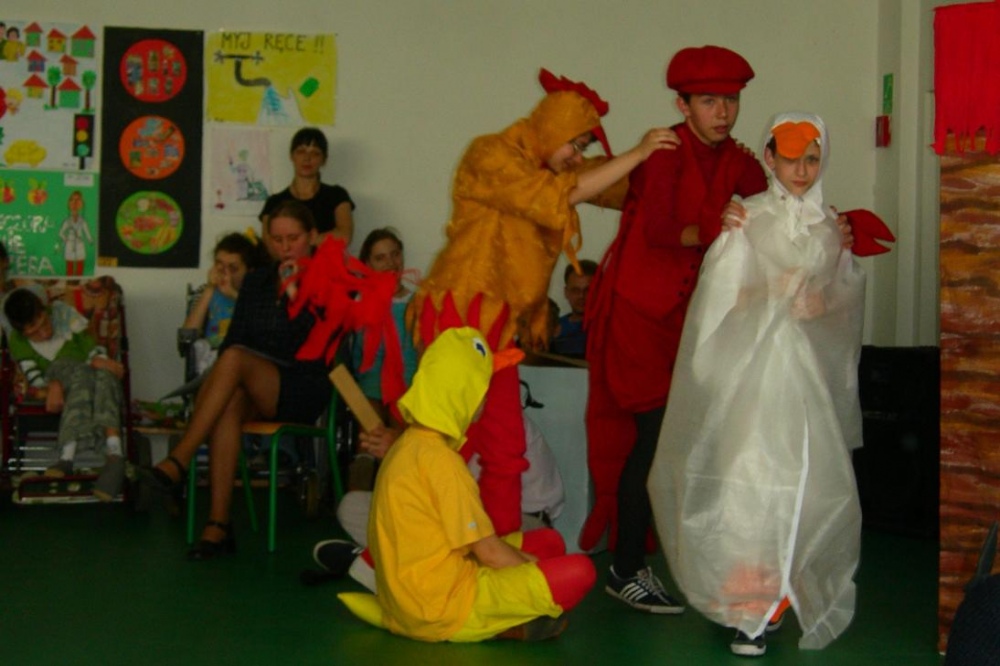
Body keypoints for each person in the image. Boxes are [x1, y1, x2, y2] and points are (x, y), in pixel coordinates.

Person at [407, 67, 678, 537]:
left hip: (498, 329)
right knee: (445, 441)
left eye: (583, 147)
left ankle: (501, 549)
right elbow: (558, 196)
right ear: (552, 128)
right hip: (459, 317)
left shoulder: (554, 169)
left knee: (506, 447)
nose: (577, 155)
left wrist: (679, 165)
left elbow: (615, 185)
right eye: (575, 143)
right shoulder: (491, 154)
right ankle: (408, 545)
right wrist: (638, 152)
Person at [648, 113, 873, 656]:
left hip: (804, 385)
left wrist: (824, 301)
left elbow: (843, 296)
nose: (802, 170)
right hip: (752, 381)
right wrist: (770, 295)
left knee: (807, 490)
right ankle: (746, 607)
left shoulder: (828, 226)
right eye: (790, 158)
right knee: (749, 487)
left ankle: (776, 597)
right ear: (769, 158)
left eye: (812, 158)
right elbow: (717, 302)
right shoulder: (746, 219)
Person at [580, 45, 770, 615]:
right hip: (640, 316)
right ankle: (625, 569)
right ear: (682, 106)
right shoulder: (664, 152)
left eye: (731, 100)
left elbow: (775, 202)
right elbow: (664, 232)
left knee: (682, 442)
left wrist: (824, 225)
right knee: (653, 439)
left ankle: (663, 557)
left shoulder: (737, 160)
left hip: (694, 322)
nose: (723, 112)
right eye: (709, 101)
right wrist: (717, 226)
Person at [330, 327, 595, 642]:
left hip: (414, 593)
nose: (485, 401)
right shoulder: (443, 462)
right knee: (580, 571)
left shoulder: (408, 444)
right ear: (463, 397)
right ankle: (496, 624)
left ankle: (502, 614)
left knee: (549, 542)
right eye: (482, 391)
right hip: (444, 608)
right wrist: (533, 568)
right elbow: (490, 553)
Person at [139, 200, 332, 559]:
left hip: (302, 386)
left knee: (234, 360)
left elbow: (314, 347)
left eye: (293, 238)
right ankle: (217, 525)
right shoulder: (257, 281)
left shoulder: (330, 279)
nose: (285, 247)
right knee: (228, 397)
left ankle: (180, 459)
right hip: (254, 381)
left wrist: (294, 292)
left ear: (313, 236)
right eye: (276, 239)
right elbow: (235, 339)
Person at [3, 288, 126, 500]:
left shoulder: (64, 315)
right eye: (34, 332)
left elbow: (92, 348)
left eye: (44, 323)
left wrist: (101, 360)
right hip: (57, 373)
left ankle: (81, 458)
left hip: (87, 373)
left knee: (104, 376)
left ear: (45, 311)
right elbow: (34, 378)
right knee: (82, 372)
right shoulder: (18, 341)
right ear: (23, 333)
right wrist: (54, 384)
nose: (44, 334)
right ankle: (111, 456)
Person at [181, 231, 267, 375]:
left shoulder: (258, 294)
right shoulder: (205, 291)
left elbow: (263, 334)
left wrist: (234, 295)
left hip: (245, 363)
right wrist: (210, 289)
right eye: (219, 266)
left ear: (249, 271)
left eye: (233, 268)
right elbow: (186, 338)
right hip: (210, 363)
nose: (225, 273)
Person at [258, 127, 355, 247]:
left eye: (315, 153)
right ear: (291, 156)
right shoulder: (274, 202)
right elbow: (269, 244)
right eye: (301, 151)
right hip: (287, 260)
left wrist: (299, 241)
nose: (307, 158)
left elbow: (345, 236)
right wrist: (315, 240)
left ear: (324, 159)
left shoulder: (337, 196)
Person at [550, 259, 596, 357]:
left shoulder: (611, 329)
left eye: (588, 290)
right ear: (566, 292)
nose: (581, 296)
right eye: (575, 290)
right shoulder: (551, 329)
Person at [59, 191, 94, 277]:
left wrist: (91, 241)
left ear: (81, 204)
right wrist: (66, 240)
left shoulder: (82, 221)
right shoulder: (67, 221)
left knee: (80, 267)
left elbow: (87, 233)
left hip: (80, 244)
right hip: (69, 245)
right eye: (72, 200)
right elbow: (61, 233)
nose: (75, 203)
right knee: (69, 268)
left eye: (78, 200)